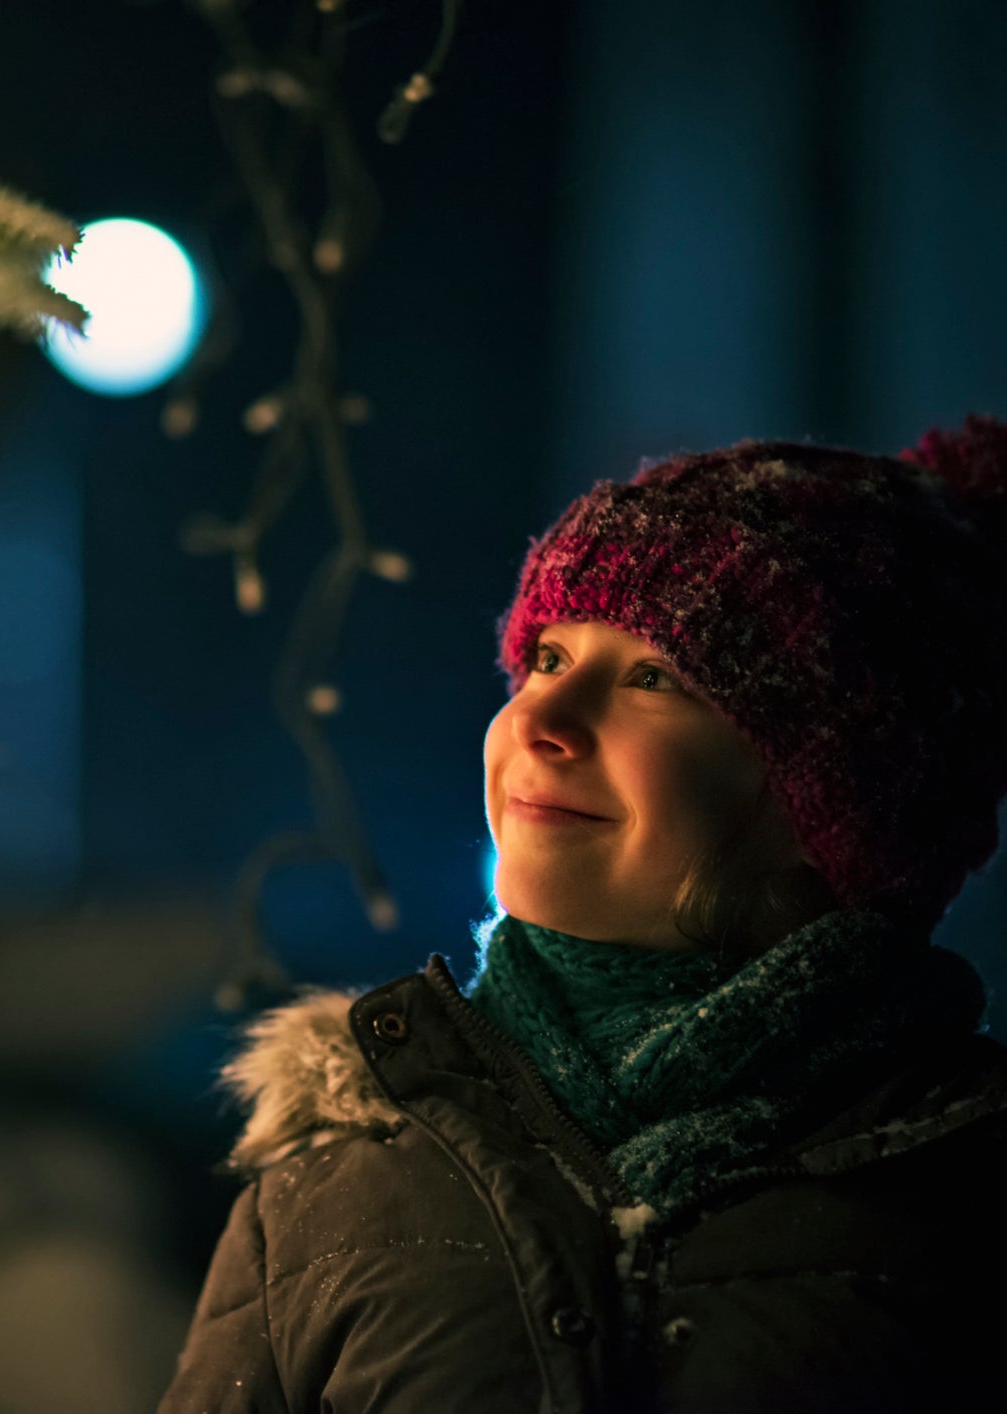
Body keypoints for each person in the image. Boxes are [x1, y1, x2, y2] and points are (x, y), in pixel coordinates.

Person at [158, 418, 1007, 1413]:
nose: (542, 721)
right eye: (550, 657)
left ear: (838, 798)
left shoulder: (968, 1196)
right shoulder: (333, 1193)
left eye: (656, 678)